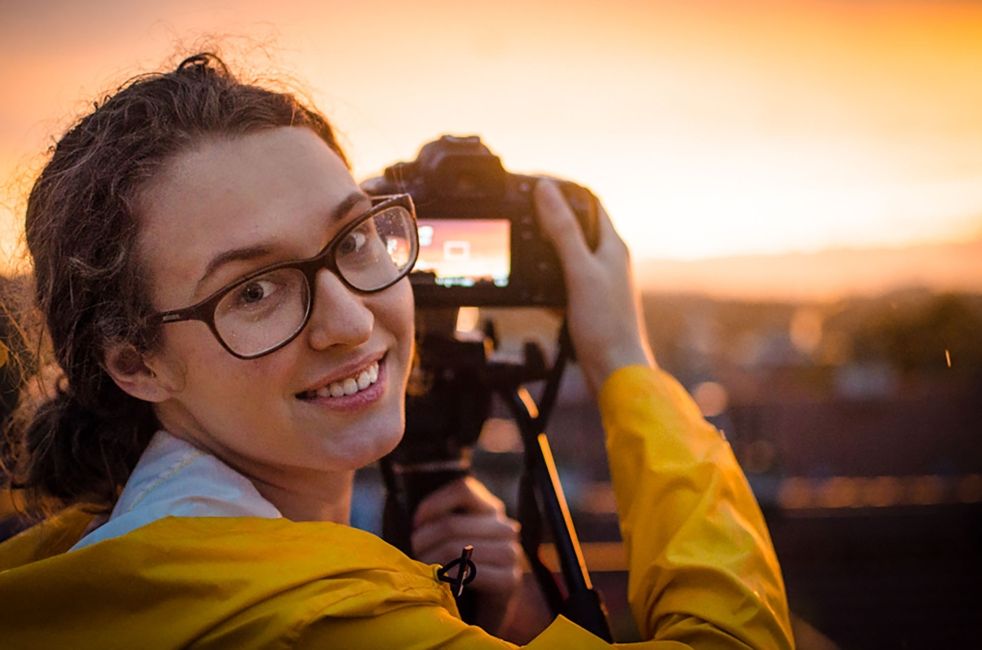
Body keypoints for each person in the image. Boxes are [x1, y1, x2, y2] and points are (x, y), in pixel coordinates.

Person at [0, 53, 793, 648]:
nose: (350, 322)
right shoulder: (304, 622)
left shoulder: (113, 568)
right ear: (135, 362)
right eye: (254, 291)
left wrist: (495, 619)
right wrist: (625, 360)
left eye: (355, 237)